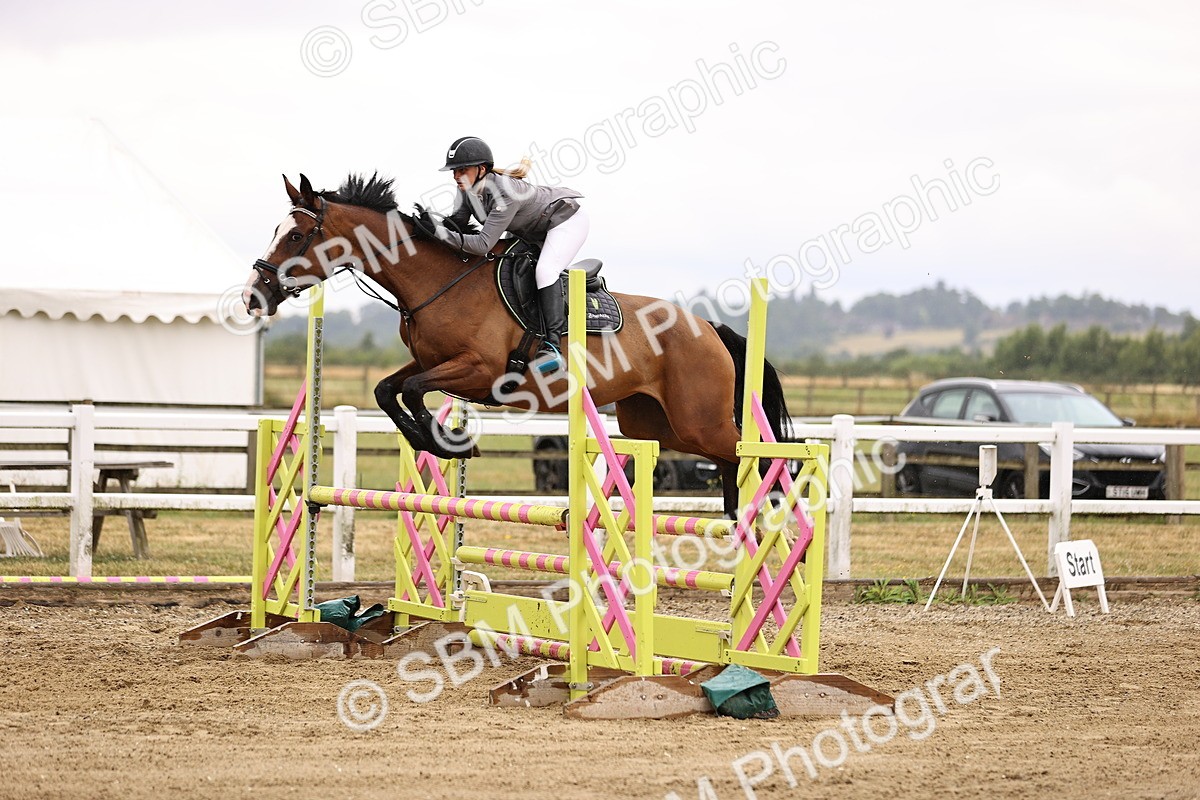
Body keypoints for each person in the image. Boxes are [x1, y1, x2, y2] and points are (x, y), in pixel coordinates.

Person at [432, 136, 588, 370]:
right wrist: (427, 228)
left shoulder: (505, 191)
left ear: (481, 169)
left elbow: (482, 244)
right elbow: (457, 226)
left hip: (566, 220)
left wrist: (439, 233)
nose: (456, 176)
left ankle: (553, 347)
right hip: (529, 230)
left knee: (545, 271)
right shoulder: (465, 190)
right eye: (454, 171)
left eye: (462, 170)